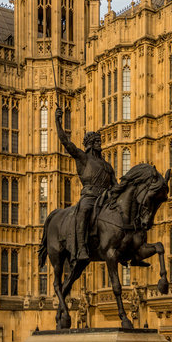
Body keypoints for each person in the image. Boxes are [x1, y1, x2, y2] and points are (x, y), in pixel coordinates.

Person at [55, 107, 117, 262]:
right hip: (89, 197)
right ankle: (81, 247)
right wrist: (58, 121)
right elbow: (65, 141)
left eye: (99, 141)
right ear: (90, 144)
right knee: (84, 211)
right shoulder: (83, 158)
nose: (99, 143)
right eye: (96, 141)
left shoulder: (106, 165)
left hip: (105, 199)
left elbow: (116, 186)